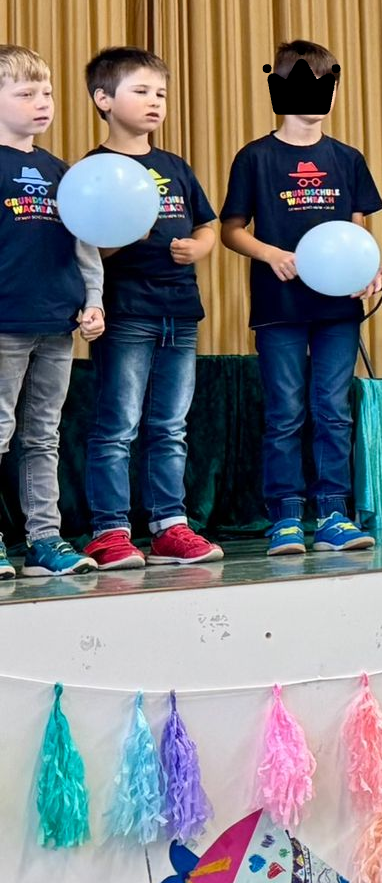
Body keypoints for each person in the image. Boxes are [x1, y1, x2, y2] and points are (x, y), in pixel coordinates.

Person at [219, 40, 382, 557]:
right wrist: (271, 254)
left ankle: (334, 512)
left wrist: (368, 272)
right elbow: (230, 230)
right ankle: (285, 516)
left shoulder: (348, 159)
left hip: (337, 309)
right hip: (280, 306)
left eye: (326, 85)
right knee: (285, 412)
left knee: (333, 410)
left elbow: (357, 232)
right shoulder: (255, 157)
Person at [81, 47, 223, 570]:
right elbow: (84, 248)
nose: (155, 101)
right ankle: (110, 530)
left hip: (180, 310)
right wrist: (122, 235)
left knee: (170, 426)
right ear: (104, 99)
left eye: (160, 93)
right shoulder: (93, 170)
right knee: (118, 425)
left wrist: (200, 247)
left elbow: (207, 224)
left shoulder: (174, 166)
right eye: (140, 91)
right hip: (127, 312)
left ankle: (169, 526)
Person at [0, 47, 104, 578]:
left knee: (43, 436)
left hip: (57, 326)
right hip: (5, 325)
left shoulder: (61, 172)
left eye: (46, 93)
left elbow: (85, 246)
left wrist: (94, 301)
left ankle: (45, 539)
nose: (42, 102)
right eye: (26, 94)